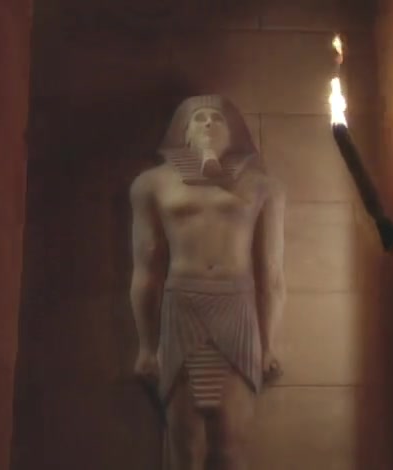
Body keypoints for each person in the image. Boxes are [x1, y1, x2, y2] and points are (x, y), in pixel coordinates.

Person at [130, 95, 285, 470]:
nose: (209, 124)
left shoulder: (262, 186)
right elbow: (146, 268)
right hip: (181, 307)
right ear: (183, 132)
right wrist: (147, 345)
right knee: (185, 446)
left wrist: (268, 344)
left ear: (233, 133)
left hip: (237, 309)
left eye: (217, 118)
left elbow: (271, 271)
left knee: (231, 446)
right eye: (198, 118)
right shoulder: (152, 184)